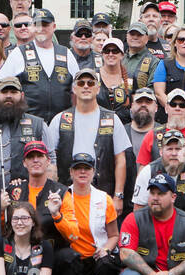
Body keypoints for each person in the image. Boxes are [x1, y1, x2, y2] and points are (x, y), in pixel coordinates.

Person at [47, 151, 119, 275]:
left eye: (86, 169)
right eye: (77, 168)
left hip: (96, 256)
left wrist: (106, 250)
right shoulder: (62, 196)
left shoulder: (104, 199)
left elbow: (114, 235)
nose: (82, 172)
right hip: (74, 260)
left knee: (106, 265)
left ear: (93, 172)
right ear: (70, 172)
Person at [45, 68, 129, 205]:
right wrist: (51, 191)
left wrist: (118, 196)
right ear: (73, 88)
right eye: (81, 83)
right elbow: (49, 160)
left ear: (98, 88)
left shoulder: (112, 119)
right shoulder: (60, 119)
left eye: (90, 83)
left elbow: (121, 160)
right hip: (67, 194)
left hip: (103, 194)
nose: (85, 86)